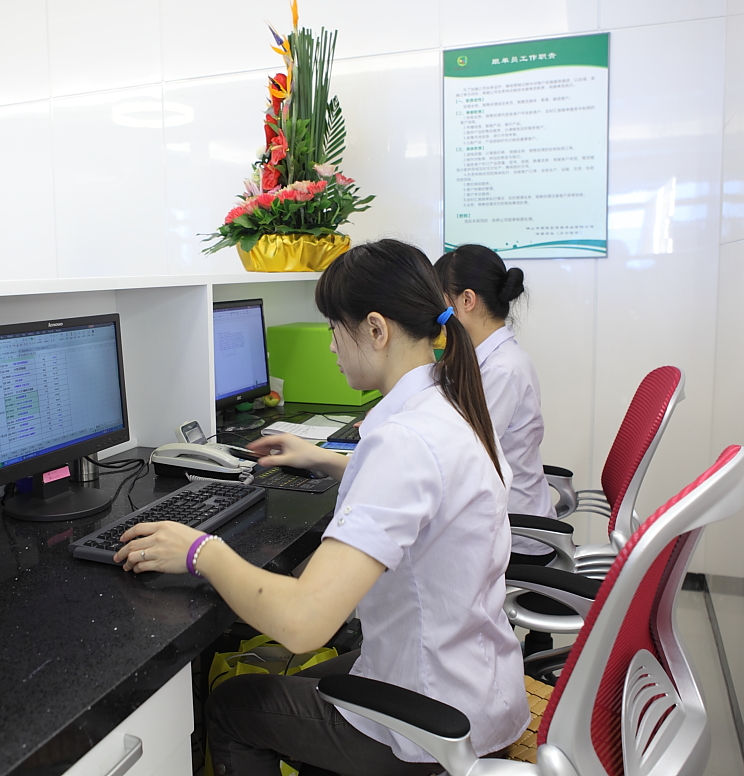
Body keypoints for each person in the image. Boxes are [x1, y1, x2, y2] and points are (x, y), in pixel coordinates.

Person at [114, 239, 528, 776]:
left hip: (432, 729)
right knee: (293, 682)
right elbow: (425, 491)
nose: (331, 346)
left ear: (376, 330)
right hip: (479, 684)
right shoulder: (451, 402)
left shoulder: (404, 442)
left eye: (335, 328)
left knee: (233, 706)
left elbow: (303, 623)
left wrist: (200, 551)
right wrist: (325, 459)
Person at [434, 245, 552, 568]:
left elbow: (464, 453)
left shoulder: (501, 370)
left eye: (440, 301)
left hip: (517, 537)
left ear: (466, 300)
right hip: (498, 519)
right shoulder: (485, 359)